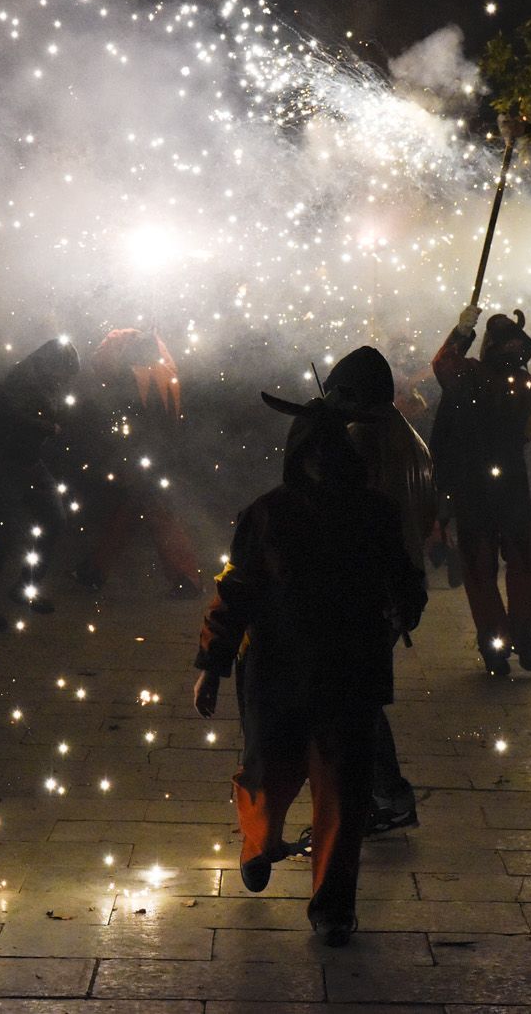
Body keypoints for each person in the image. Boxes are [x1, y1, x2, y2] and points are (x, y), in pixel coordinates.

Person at [193, 391, 426, 947]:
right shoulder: (270, 514)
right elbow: (238, 590)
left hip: (345, 673)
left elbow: (404, 579)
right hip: (282, 673)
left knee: (342, 796)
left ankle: (332, 907)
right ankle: (257, 844)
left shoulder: (371, 513)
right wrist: (213, 662)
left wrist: (403, 606)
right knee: (267, 775)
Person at [323, 346, 436, 834]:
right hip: (401, 581)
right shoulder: (412, 440)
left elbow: (345, 512)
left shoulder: (363, 440)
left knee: (355, 698)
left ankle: (388, 796)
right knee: (355, 695)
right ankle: (377, 795)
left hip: (373, 585)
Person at [430, 303, 531, 675]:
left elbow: (442, 364)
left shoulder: (471, 376)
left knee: (480, 568)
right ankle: (523, 637)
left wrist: (462, 331)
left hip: (475, 484)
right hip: (511, 482)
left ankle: (497, 642)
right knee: (524, 561)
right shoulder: (527, 384)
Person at [73, 329, 202, 597]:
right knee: (131, 512)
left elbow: (102, 367)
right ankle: (94, 571)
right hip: (162, 456)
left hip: (144, 458)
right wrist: (144, 336)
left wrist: (118, 339)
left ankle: (187, 579)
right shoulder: (168, 371)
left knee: (155, 515)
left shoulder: (134, 376)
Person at [0, 337, 79, 631]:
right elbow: (10, 416)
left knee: (55, 520)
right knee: (4, 535)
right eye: (62, 373)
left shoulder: (48, 384)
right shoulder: (19, 378)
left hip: (30, 464)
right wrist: (46, 427)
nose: (63, 380)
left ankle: (25, 586)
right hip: (0, 466)